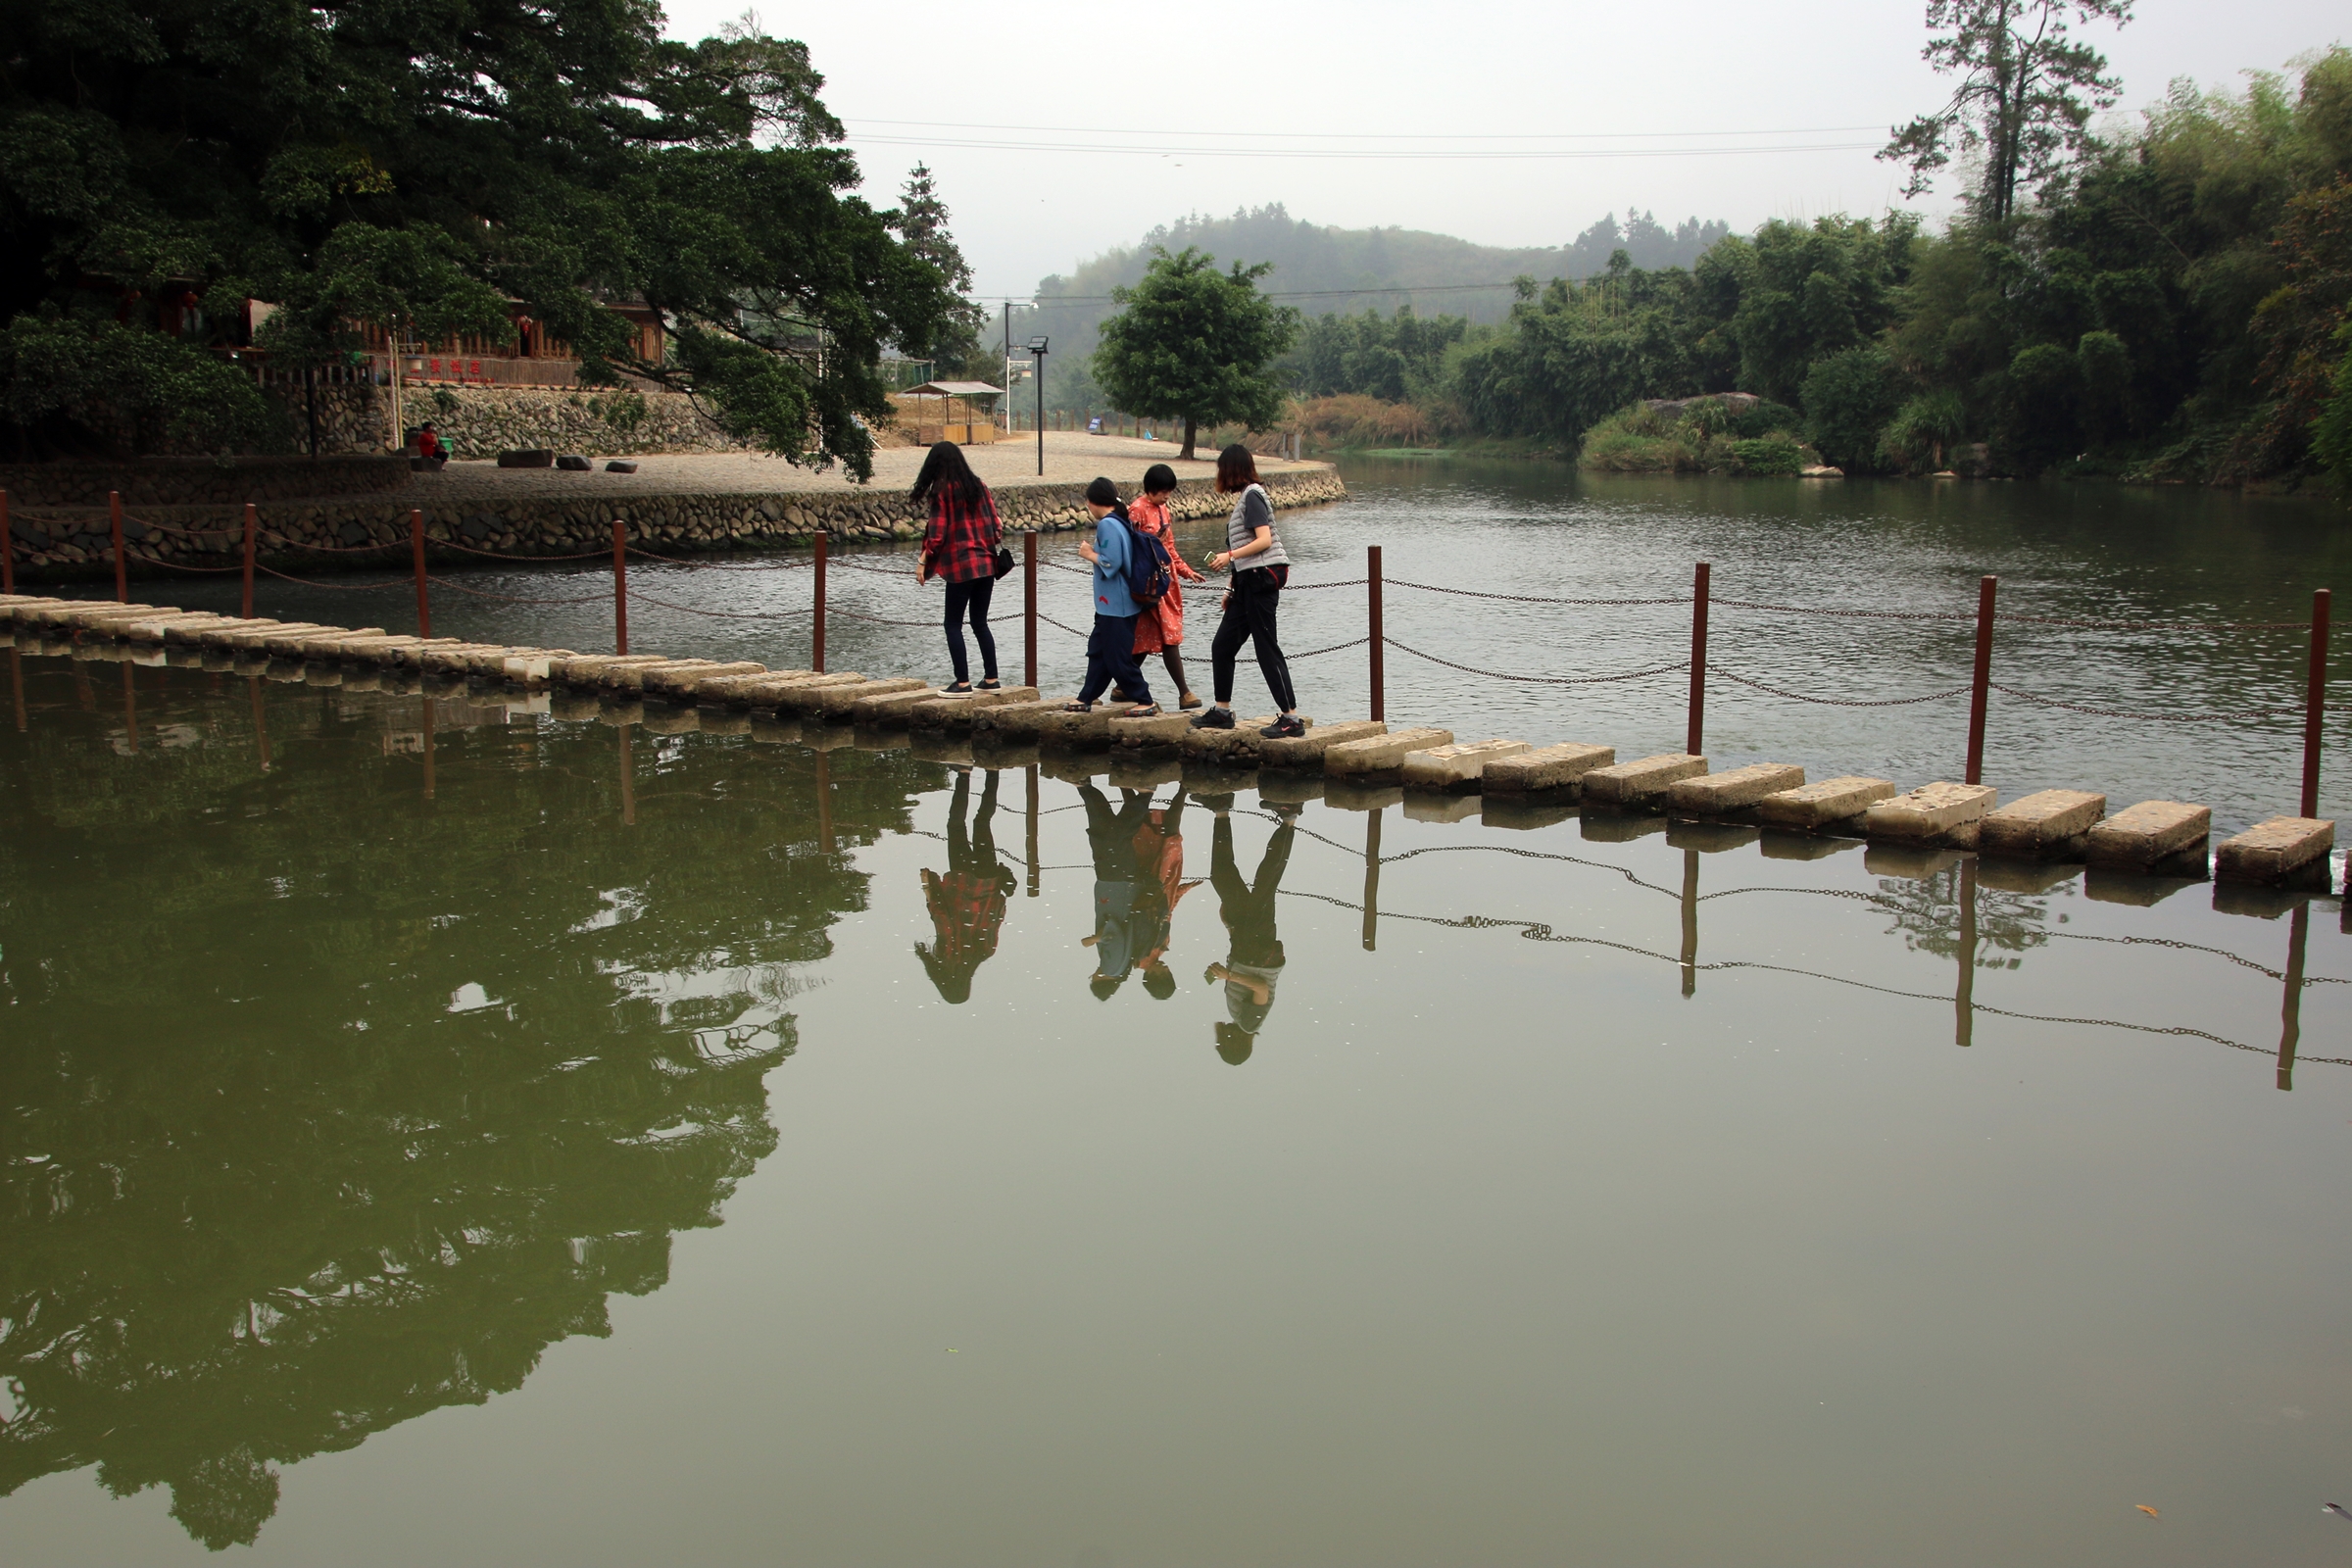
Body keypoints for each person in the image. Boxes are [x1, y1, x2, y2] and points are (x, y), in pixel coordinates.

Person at [1191, 444, 1301, 739]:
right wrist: (1231, 588)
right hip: (1245, 584)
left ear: (1230, 470)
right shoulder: (1246, 497)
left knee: (1267, 649)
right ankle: (1222, 712)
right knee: (1222, 645)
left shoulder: (1253, 495)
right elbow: (1247, 554)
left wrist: (1228, 556)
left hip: (1259, 583)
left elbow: (1264, 541)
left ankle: (1291, 718)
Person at [1203, 797, 1296, 1063]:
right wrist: (1228, 976)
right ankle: (1289, 820)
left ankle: (1221, 811)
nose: (1219, 1039)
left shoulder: (1241, 1021)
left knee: (1222, 876)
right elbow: (1261, 989)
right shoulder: (1249, 1024)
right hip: (1258, 951)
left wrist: (1231, 930)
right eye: (1222, 1043)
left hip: (1246, 944)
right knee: (1265, 882)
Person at [915, 767, 1015, 1004]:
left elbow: (998, 914)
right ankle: (963, 772)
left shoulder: (986, 952)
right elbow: (942, 918)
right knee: (956, 824)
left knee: (982, 822)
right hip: (961, 879)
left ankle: (992, 769)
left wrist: (996, 886)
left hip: (988, 879)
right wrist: (928, 886)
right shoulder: (947, 954)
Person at [911, 440, 1004, 693]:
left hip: (961, 567)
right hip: (986, 564)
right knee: (980, 623)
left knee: (952, 624)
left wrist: (923, 561)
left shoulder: (942, 492)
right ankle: (991, 679)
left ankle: (962, 682)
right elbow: (996, 526)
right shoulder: (979, 485)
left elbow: (937, 534)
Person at [1068, 476, 1157, 717]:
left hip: (1117, 604)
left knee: (1117, 657)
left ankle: (1144, 698)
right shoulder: (1121, 520)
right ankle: (1086, 697)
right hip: (1112, 604)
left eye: (1088, 502)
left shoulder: (1108, 524)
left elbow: (1111, 562)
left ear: (1093, 501)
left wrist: (1088, 553)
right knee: (1098, 652)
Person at [1127, 464, 1206, 710]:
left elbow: (1169, 547)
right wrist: (1151, 542)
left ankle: (1122, 685)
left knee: (1151, 635)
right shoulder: (1136, 510)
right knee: (1168, 634)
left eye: (1169, 492)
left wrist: (1185, 571)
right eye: (1163, 492)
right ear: (1151, 489)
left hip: (1165, 581)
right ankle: (1184, 693)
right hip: (1148, 582)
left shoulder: (1163, 510)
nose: (1167, 496)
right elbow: (1129, 546)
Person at [1078, 781, 1156, 999]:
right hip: (1118, 890)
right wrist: (1093, 940)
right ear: (1099, 981)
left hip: (1117, 888)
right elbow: (1116, 937)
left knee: (1102, 837)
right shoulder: (1111, 968)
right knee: (1114, 840)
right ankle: (1145, 795)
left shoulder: (1121, 967)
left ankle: (1085, 787)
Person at [1128, 788, 1200, 999]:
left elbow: (1140, 914)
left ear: (1154, 976)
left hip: (1151, 884)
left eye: (1164, 974)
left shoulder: (1139, 953)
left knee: (1166, 836)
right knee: (1152, 834)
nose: (1167, 969)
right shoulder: (1159, 949)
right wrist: (1183, 889)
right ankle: (1131, 787)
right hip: (1162, 887)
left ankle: (1183, 788)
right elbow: (1167, 911)